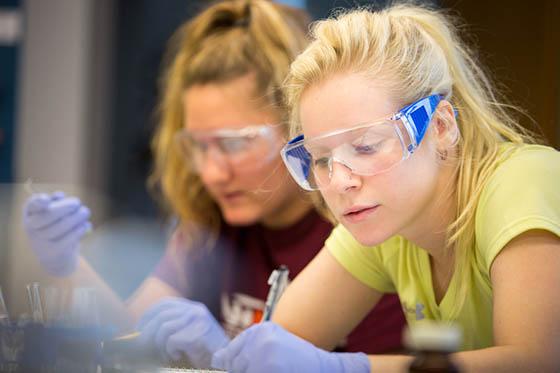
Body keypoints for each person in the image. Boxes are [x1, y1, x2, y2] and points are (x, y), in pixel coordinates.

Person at [21, 0, 406, 369]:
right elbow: (132, 338)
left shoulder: (362, 222)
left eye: (234, 143)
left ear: (300, 132)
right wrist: (67, 264)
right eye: (197, 146)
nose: (211, 173)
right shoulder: (213, 219)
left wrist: (223, 357)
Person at [211, 3, 560, 372]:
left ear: (439, 127)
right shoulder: (388, 214)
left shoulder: (525, 181)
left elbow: (538, 361)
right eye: (322, 159)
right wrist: (218, 352)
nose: (341, 181)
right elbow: (281, 345)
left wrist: (346, 369)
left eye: (366, 147)